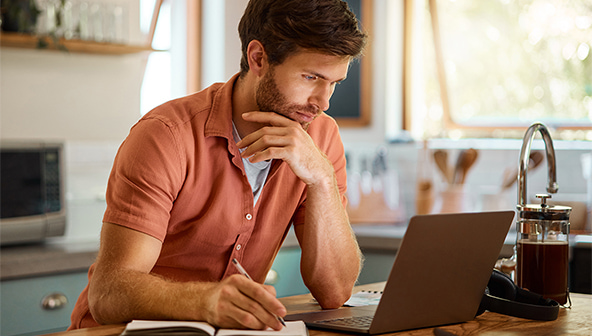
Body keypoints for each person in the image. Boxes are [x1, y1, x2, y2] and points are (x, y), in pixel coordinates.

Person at [69, 0, 367, 331]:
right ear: (258, 59)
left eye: (334, 83)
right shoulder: (165, 135)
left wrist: (322, 178)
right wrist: (206, 302)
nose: (323, 102)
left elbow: (335, 292)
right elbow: (109, 293)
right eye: (311, 76)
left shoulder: (321, 138)